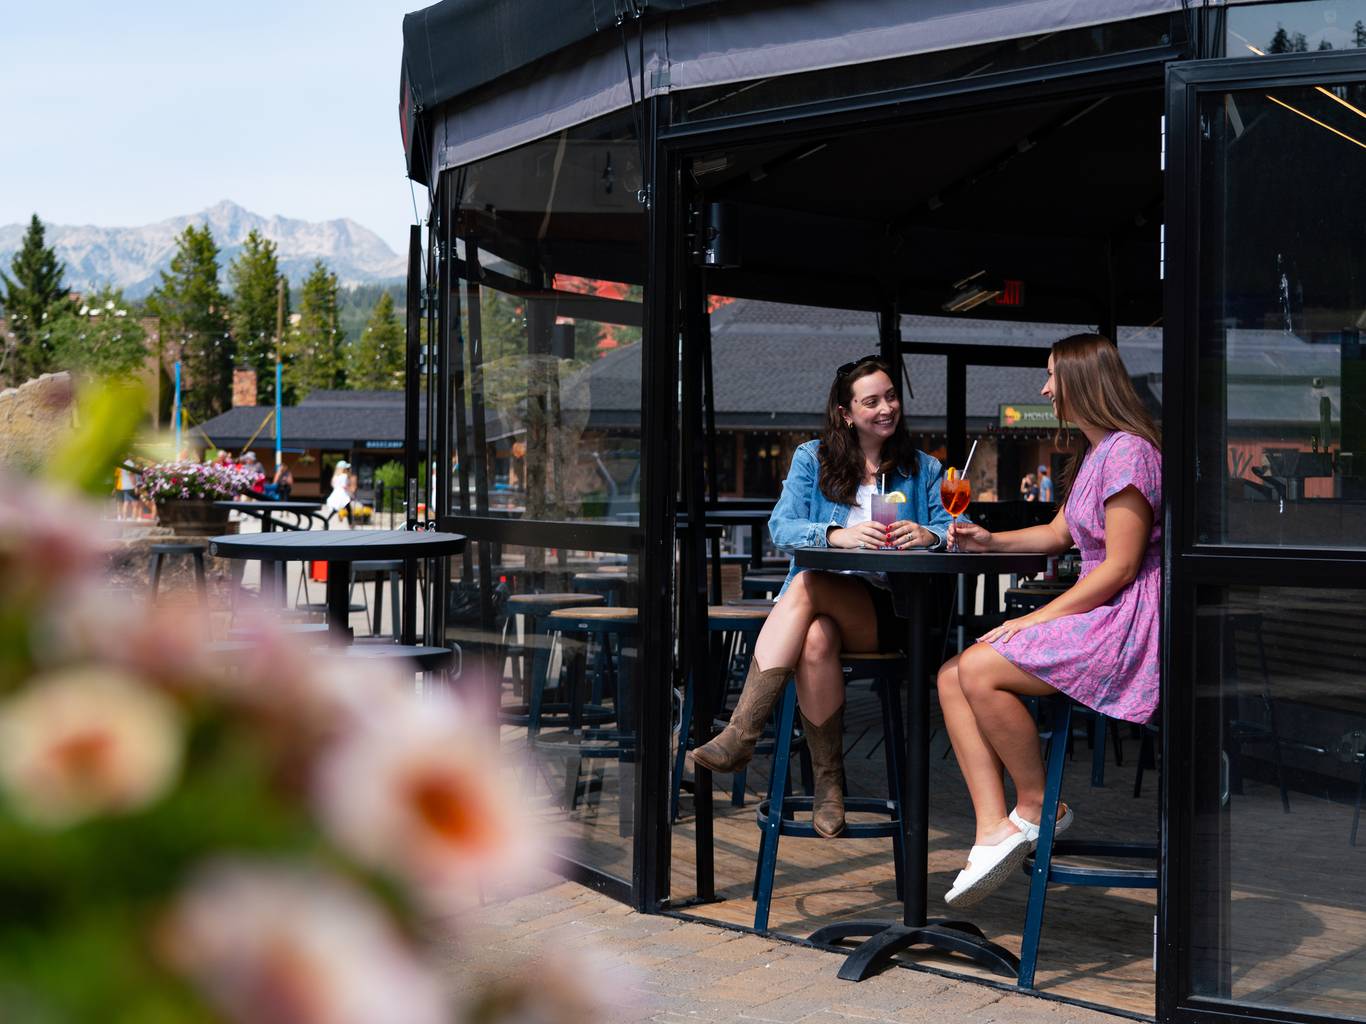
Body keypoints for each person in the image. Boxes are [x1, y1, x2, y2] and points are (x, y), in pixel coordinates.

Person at [935, 334, 1161, 908]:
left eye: (1052, 376)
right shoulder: (1097, 452)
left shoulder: (1130, 452)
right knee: (949, 675)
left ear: (1083, 381)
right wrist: (988, 541)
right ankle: (994, 827)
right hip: (1102, 606)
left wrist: (1036, 617)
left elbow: (1123, 565)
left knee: (981, 668)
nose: (1044, 388)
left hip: (1129, 619)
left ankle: (1038, 803)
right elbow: (1059, 534)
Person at [688, 355, 953, 837]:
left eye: (891, 396)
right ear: (846, 413)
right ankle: (829, 785)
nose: (886, 408)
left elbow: (950, 528)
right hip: (822, 606)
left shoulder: (924, 468)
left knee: (808, 584)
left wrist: (928, 535)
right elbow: (781, 527)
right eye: (871, 401)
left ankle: (742, 733)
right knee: (814, 641)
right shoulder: (813, 458)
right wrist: (836, 535)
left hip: (883, 609)